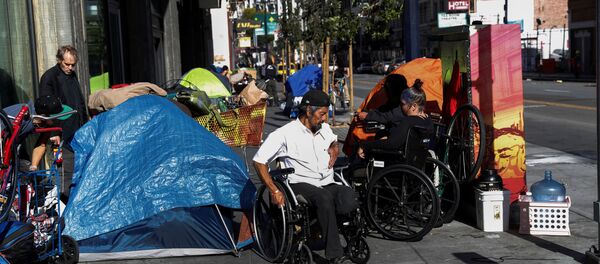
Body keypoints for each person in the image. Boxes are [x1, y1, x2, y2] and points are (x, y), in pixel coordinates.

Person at [253, 90, 357, 264]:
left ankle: (328, 230)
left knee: (349, 196)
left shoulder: (323, 127)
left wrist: (334, 146)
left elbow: (332, 139)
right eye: (322, 114)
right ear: (308, 111)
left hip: (326, 181)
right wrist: (273, 189)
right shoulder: (284, 134)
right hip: (299, 184)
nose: (325, 119)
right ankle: (334, 253)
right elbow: (259, 161)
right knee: (323, 198)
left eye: (326, 114)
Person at [38, 45, 88, 201]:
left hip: (77, 130)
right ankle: (63, 207)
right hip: (60, 133)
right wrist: (54, 133)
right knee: (63, 172)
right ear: (59, 60)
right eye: (67, 64)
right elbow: (46, 108)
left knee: (77, 170)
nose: (70, 68)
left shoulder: (71, 75)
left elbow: (78, 102)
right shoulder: (49, 77)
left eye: (73, 64)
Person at [357, 80, 433, 159]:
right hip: (417, 160)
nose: (400, 106)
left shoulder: (408, 121)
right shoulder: (428, 121)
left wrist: (365, 144)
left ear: (413, 106)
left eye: (403, 104)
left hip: (400, 161)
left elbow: (391, 144)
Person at [2, 95, 73, 172]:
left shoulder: (44, 123)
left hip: (11, 148)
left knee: (27, 172)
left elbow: (41, 144)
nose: (58, 121)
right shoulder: (21, 115)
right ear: (43, 116)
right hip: (3, 145)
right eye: (56, 118)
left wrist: (33, 166)